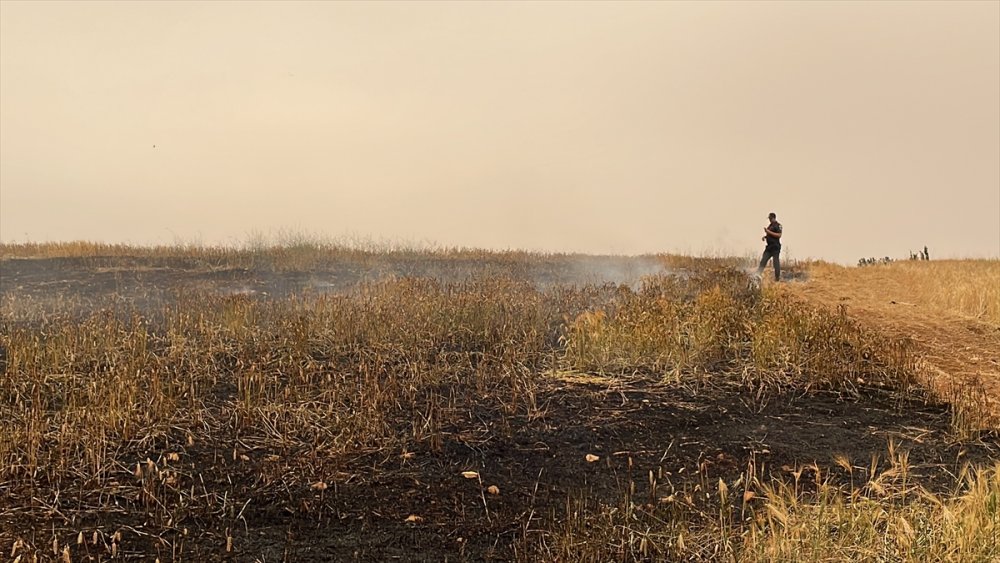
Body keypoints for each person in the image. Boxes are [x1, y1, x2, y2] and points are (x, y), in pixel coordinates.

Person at [757, 212, 782, 281]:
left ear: (773, 218)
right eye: (769, 219)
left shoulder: (778, 225)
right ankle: (757, 275)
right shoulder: (770, 226)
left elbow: (779, 235)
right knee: (763, 261)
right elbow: (769, 234)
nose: (769, 220)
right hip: (769, 247)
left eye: (770, 218)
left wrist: (768, 232)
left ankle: (777, 278)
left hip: (775, 247)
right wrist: (765, 237)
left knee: (775, 262)